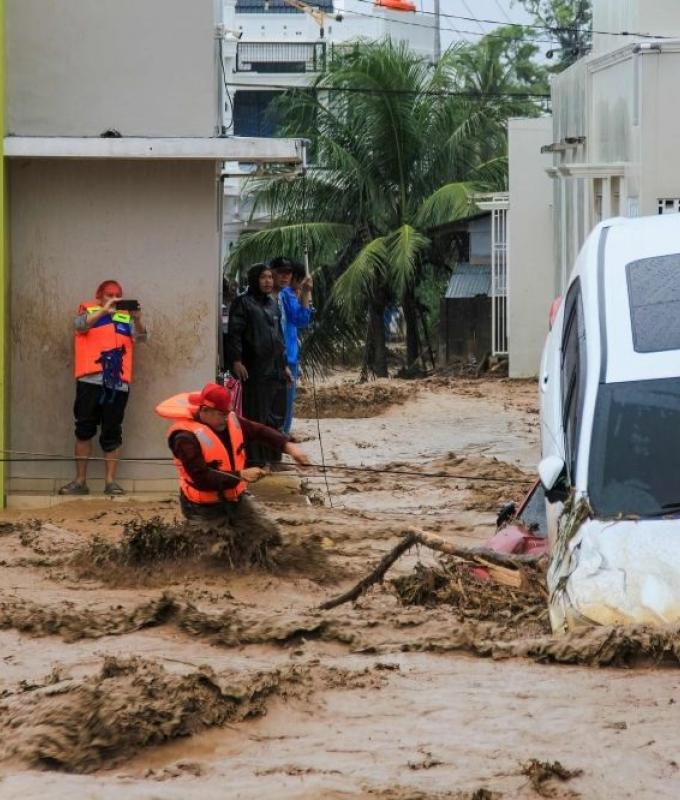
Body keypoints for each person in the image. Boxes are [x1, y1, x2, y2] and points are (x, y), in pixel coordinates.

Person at [156, 382, 309, 545]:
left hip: (235, 500)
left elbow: (259, 431)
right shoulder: (184, 438)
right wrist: (241, 475)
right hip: (202, 508)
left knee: (269, 537)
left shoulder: (229, 421)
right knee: (219, 552)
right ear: (205, 410)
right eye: (221, 414)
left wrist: (289, 447)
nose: (226, 418)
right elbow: (202, 478)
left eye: (228, 413)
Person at [59, 280, 147, 496]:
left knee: (112, 432)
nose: (114, 298)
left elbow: (142, 338)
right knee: (84, 430)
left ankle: (110, 482)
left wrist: (138, 321)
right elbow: (79, 326)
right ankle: (80, 482)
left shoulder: (125, 317)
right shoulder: (87, 311)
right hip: (90, 381)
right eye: (109, 294)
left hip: (117, 384)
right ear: (99, 295)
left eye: (118, 295)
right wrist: (103, 311)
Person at [225, 263, 289, 466]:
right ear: (254, 280)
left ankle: (273, 458)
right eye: (263, 277)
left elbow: (278, 337)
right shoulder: (243, 303)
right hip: (254, 368)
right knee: (256, 416)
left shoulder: (272, 304)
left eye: (270, 277)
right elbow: (234, 334)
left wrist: (284, 365)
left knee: (275, 416)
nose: (268, 281)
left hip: (275, 369)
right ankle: (255, 460)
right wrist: (236, 360)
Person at [271, 257, 314, 436]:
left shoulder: (287, 295)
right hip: (279, 355)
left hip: (289, 355)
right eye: (281, 273)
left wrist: (305, 294)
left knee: (287, 400)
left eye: (288, 274)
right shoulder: (283, 295)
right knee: (281, 400)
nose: (285, 278)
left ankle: (282, 434)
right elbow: (300, 319)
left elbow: (301, 320)